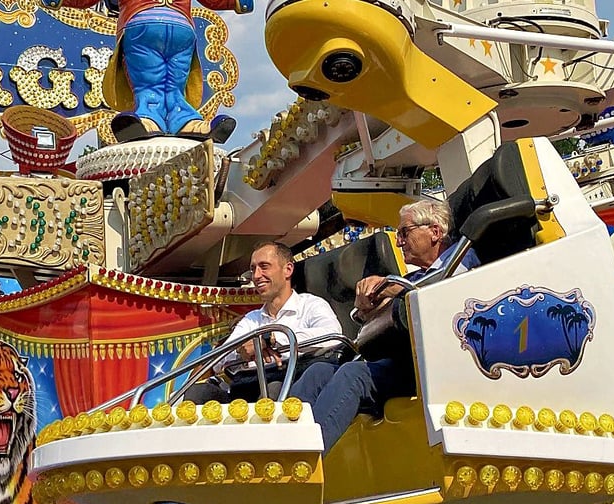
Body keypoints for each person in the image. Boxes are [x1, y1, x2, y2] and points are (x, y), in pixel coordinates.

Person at [289, 199, 478, 454]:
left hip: (440, 366)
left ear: (434, 232)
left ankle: (303, 458)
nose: (399, 241)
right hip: (405, 359)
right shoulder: (414, 277)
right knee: (319, 372)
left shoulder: (463, 258)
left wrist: (393, 285)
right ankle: (279, 443)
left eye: (404, 232)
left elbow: (448, 294)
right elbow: (385, 317)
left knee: (353, 375)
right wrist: (367, 307)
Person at [42, 0, 250, 136]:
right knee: (172, 86)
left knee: (150, 84)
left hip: (144, 23)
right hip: (180, 28)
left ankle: (150, 119)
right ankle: (187, 122)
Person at [185, 241, 343, 403]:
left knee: (272, 390)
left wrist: (270, 340)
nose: (256, 275)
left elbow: (333, 335)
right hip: (247, 388)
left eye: (264, 266)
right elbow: (219, 361)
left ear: (288, 270)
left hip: (292, 386)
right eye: (253, 269)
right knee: (198, 393)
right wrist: (243, 349)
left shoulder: (311, 305)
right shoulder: (252, 319)